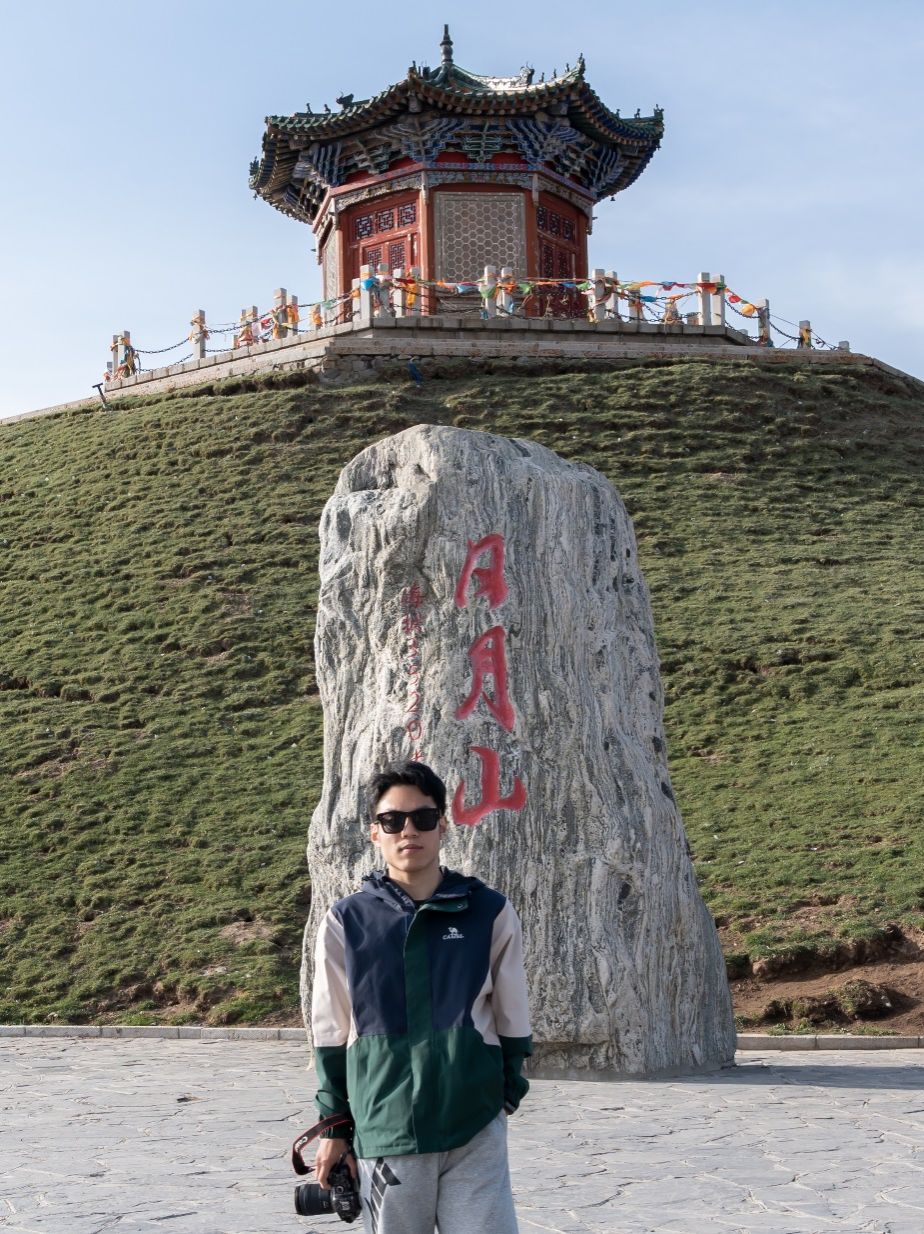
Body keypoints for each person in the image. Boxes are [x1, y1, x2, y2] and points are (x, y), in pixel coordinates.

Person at [311, 759, 532, 1234]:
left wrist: (504, 1095)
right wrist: (334, 1125)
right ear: (374, 832)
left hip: (473, 1125)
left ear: (442, 825)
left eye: (423, 818)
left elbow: (512, 1013)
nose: (408, 830)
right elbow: (331, 1029)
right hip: (387, 1129)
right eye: (392, 820)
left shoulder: (488, 912)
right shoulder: (346, 922)